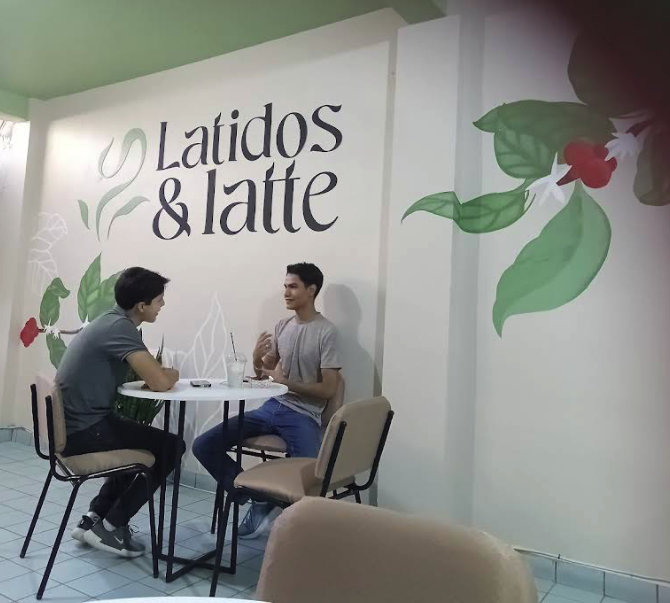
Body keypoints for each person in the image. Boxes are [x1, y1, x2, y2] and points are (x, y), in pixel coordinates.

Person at [193, 262, 341, 539]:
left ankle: (296, 534)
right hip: (270, 407)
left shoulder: (327, 332)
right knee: (203, 445)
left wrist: (286, 383)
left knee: (309, 477)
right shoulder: (282, 325)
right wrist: (256, 358)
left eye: (293, 287)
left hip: (303, 415)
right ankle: (258, 498)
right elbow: (265, 375)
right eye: (285, 286)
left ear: (311, 290)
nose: (286, 292)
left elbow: (329, 389)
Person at [55, 266, 183, 558]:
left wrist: (160, 374)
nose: (162, 305)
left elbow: (149, 375)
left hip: (76, 425)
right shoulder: (120, 328)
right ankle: (111, 526)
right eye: (159, 300)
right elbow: (159, 381)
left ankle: (94, 518)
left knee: (136, 440)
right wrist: (172, 373)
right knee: (173, 447)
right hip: (84, 430)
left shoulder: (108, 321)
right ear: (141, 306)